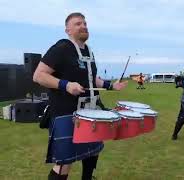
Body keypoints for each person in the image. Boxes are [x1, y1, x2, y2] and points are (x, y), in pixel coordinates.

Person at [33, 12, 127, 180]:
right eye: (78, 24)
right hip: (68, 112)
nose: (83, 26)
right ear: (68, 30)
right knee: (64, 162)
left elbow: (92, 79)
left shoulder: (89, 52)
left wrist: (111, 85)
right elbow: (39, 75)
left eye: (84, 23)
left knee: (92, 152)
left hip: (91, 112)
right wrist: (66, 85)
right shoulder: (61, 48)